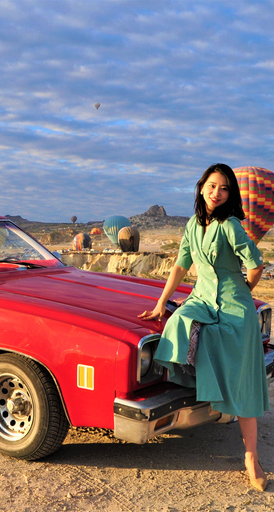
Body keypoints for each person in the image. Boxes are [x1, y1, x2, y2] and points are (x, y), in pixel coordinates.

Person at [139, 163, 269, 492]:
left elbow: (256, 266)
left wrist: (241, 293)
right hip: (201, 298)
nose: (217, 193)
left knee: (243, 383)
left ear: (230, 195)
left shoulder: (231, 226)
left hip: (233, 303)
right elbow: (181, 265)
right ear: (201, 188)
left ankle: (251, 455)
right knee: (178, 323)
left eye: (224, 188)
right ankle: (207, 396)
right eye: (212, 186)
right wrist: (160, 303)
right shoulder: (192, 226)